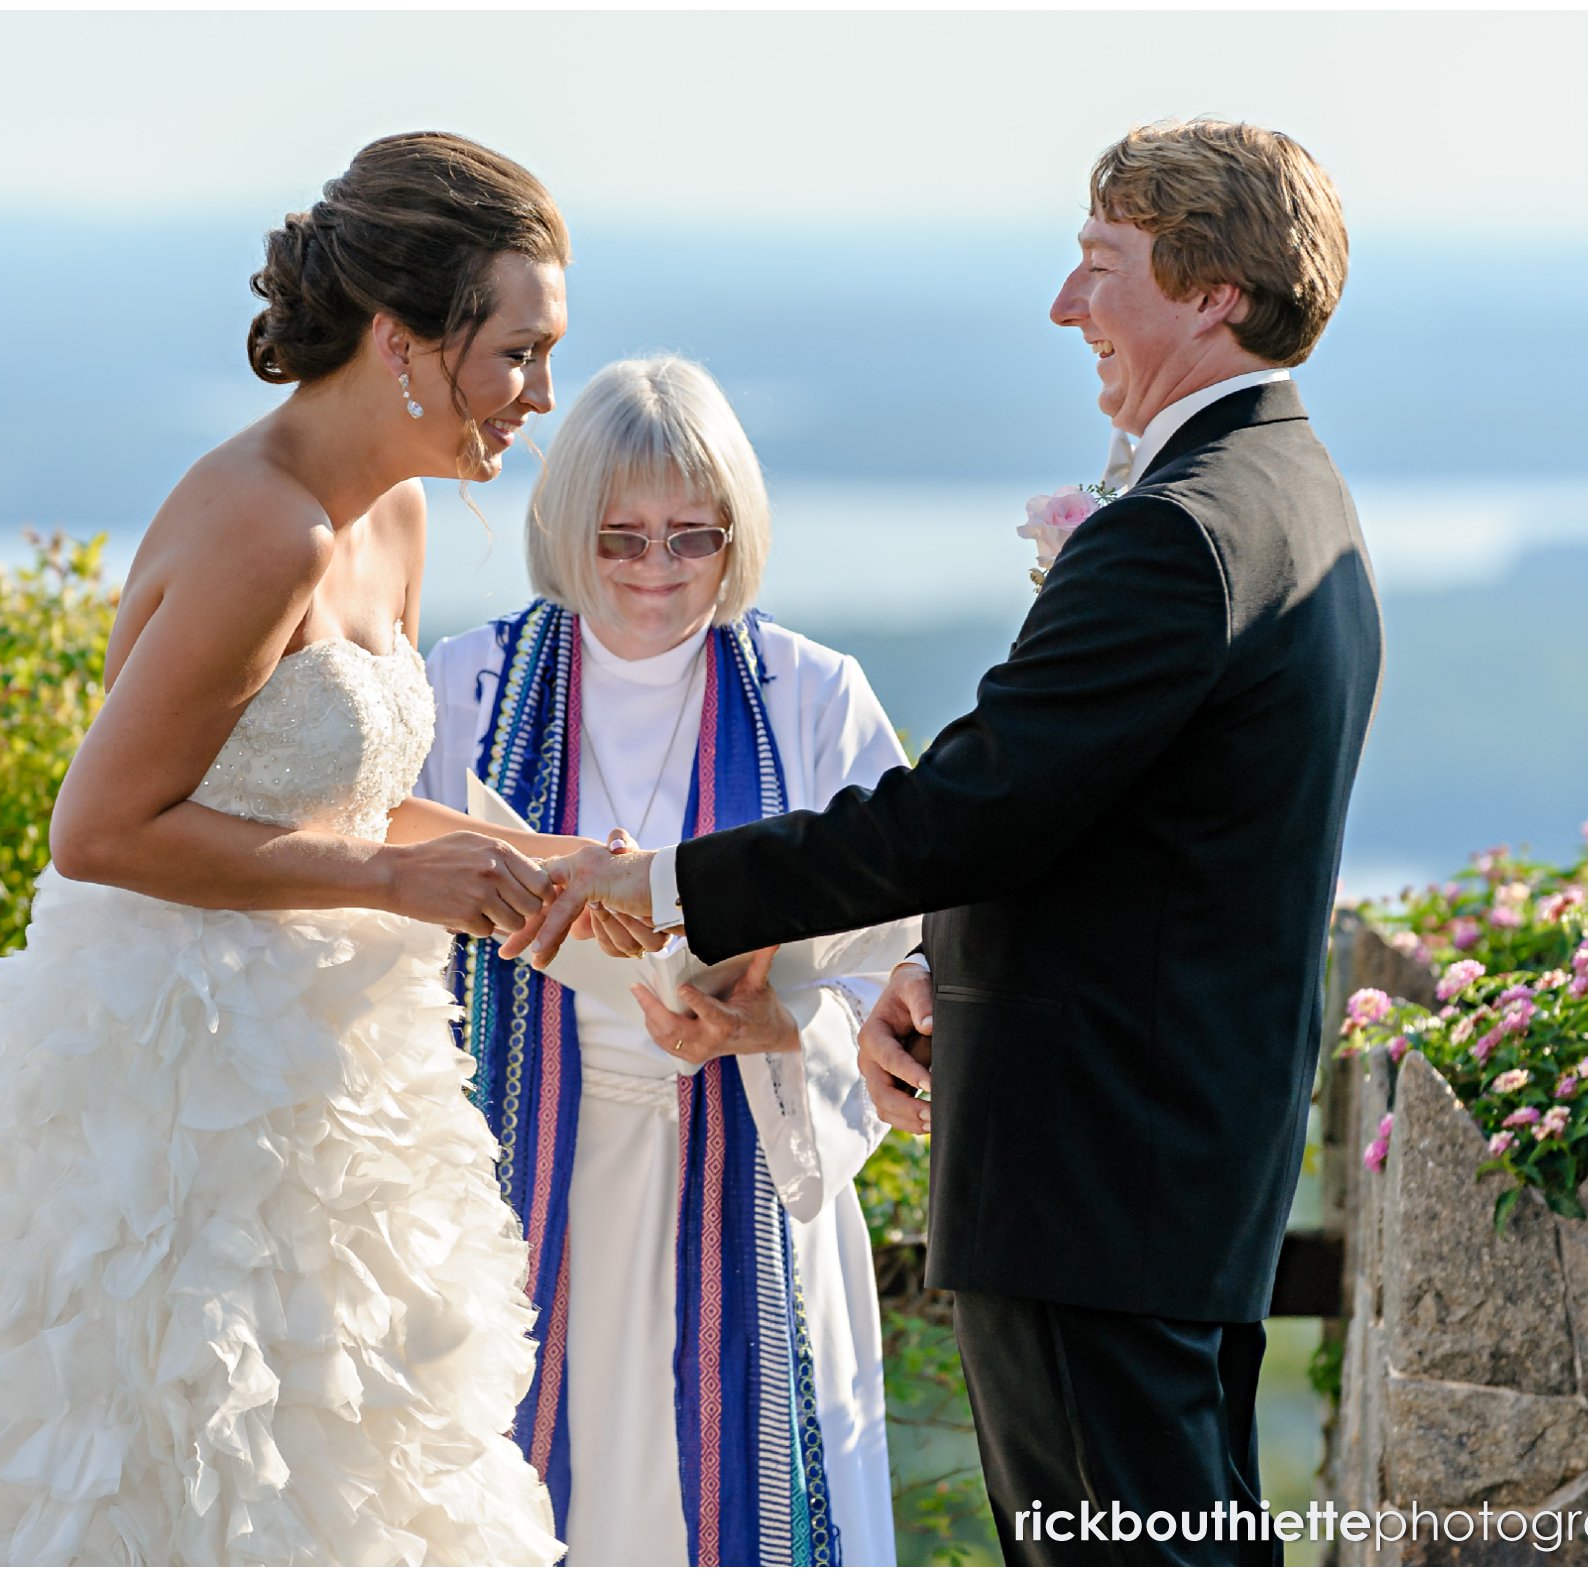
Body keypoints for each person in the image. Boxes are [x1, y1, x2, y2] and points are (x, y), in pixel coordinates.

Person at [508, 119, 1382, 1566]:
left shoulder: (1178, 531)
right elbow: (1104, 829)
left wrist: (669, 885)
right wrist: (946, 972)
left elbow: (972, 802)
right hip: (1175, 1163)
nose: (1066, 303)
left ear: (1213, 288)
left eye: (1101, 265)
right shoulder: (1297, 497)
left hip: (1091, 1177)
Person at [0, 132, 584, 1566]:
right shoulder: (265, 530)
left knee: (345, 1469)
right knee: (166, 1471)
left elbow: (339, 798)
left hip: (338, 1075)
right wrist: (392, 881)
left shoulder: (395, 513)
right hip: (176, 1086)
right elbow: (102, 829)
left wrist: (552, 862)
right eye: (520, 356)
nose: (539, 397)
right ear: (405, 339)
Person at [415, 355, 908, 1566]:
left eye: (692, 538)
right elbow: (388, 928)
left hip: (743, 1153)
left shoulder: (808, 694)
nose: (654, 571)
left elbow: (903, 963)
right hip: (518, 1170)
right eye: (620, 537)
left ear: (736, 532)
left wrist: (771, 1024)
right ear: (564, 527)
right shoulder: (470, 685)